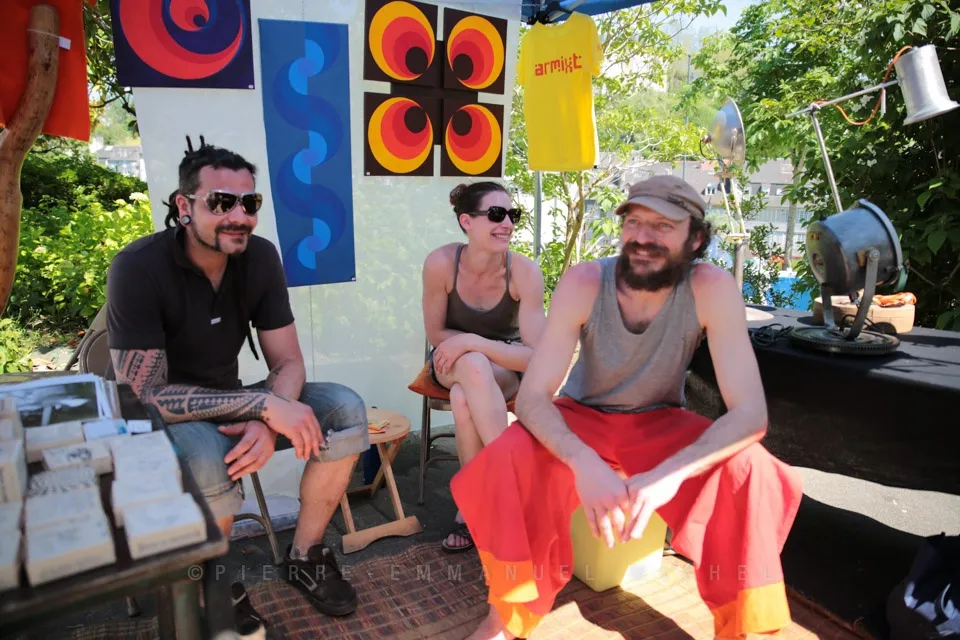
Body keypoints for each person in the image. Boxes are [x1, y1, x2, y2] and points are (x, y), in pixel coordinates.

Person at [450, 175, 804, 640]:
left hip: (659, 419)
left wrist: (667, 476)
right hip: (583, 414)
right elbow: (534, 397)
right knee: (507, 457)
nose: (642, 237)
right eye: (634, 222)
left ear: (696, 239)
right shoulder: (585, 281)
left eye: (663, 226)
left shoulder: (711, 288)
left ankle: (742, 625)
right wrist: (584, 463)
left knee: (751, 470)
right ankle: (507, 614)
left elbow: (750, 414)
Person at [105, 141, 369, 631]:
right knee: (210, 456)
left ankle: (305, 555)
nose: (239, 216)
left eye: (249, 203)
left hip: (237, 402)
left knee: (344, 410)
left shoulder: (260, 257)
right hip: (162, 418)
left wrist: (268, 417)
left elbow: (288, 360)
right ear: (184, 206)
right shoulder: (138, 267)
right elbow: (146, 395)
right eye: (222, 202)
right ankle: (212, 584)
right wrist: (262, 406)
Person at [421, 181, 546, 553]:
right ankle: (510, 484)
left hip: (504, 366)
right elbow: (436, 333)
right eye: (495, 214)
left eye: (512, 215)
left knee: (463, 399)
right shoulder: (441, 264)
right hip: (450, 361)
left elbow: (535, 355)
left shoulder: (523, 272)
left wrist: (473, 342)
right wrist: (468, 348)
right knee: (472, 367)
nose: (507, 223)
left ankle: (470, 509)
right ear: (466, 221)